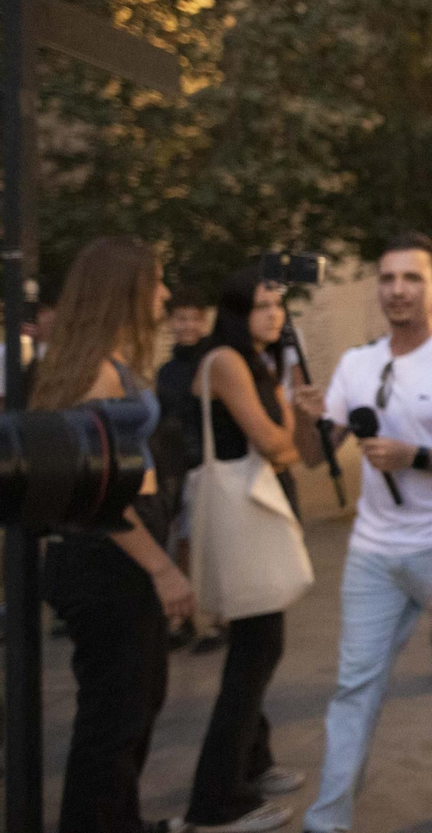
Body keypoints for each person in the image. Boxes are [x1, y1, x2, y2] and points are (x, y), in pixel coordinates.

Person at [294, 233, 432, 833]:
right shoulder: (357, 363)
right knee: (354, 687)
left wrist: (418, 457)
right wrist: (305, 418)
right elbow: (314, 456)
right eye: (387, 278)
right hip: (372, 556)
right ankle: (326, 822)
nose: (397, 289)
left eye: (412, 278)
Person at [34, 237, 192, 833]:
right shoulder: (93, 373)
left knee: (136, 703)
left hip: (123, 542)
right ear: (123, 290)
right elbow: (95, 493)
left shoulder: (110, 363)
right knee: (113, 718)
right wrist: (161, 566)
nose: (166, 294)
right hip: (110, 550)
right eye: (156, 283)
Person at [184, 266, 304, 833]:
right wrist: (287, 411)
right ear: (238, 311)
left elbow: (288, 448)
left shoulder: (253, 360)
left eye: (279, 306)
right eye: (262, 306)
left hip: (254, 507)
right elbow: (276, 443)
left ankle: (253, 765)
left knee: (256, 645)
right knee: (256, 650)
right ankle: (216, 800)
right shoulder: (227, 363)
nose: (275, 315)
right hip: (240, 507)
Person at [155, 285, 220, 651]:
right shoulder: (166, 370)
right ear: (171, 323)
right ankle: (182, 617)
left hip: (205, 464)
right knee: (180, 541)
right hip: (174, 465)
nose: (188, 326)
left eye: (195, 319)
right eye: (181, 318)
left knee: (200, 542)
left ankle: (209, 621)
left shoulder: (212, 362)